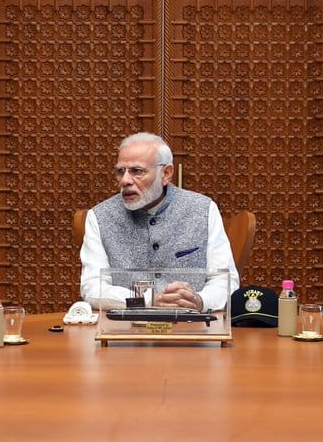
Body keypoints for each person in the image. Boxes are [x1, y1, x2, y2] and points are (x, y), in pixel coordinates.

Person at [80, 133, 240, 311]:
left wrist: (200, 300)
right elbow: (92, 288)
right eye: (120, 171)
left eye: (137, 171)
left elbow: (226, 281)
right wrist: (149, 301)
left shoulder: (203, 209)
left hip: (192, 328)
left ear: (166, 174)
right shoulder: (100, 216)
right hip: (125, 332)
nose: (125, 180)